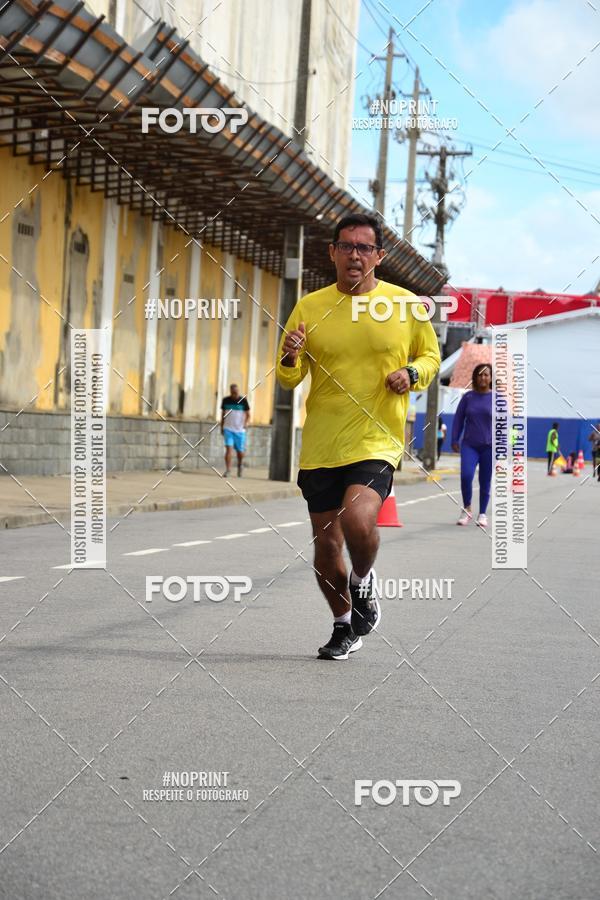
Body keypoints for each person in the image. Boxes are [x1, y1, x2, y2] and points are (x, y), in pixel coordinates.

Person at [276, 213, 440, 660]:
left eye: (364, 248)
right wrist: (290, 357)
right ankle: (343, 624)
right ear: (332, 252)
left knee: (357, 519)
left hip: (377, 437)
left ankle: (362, 580)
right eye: (346, 246)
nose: (354, 254)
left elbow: (430, 357)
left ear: (379, 256)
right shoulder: (310, 306)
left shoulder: (404, 305)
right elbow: (288, 378)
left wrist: (411, 373)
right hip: (322, 443)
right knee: (326, 547)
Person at [451, 363, 493, 528]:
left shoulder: (498, 399)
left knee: (485, 480)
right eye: (480, 375)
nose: (483, 378)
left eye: (486, 375)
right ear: (475, 377)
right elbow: (458, 420)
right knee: (466, 476)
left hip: (489, 447)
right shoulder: (467, 397)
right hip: (470, 445)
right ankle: (467, 509)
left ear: (491, 378)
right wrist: (454, 439)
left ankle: (482, 514)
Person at [220, 384, 250, 478]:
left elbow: (248, 414)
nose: (235, 394)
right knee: (229, 449)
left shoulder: (243, 401)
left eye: (236, 392)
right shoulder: (225, 400)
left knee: (240, 452)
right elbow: (223, 414)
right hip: (228, 429)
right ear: (230, 392)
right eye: (233, 392)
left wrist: (246, 423)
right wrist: (222, 426)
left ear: (238, 391)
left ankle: (240, 465)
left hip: (240, 430)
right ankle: (228, 470)